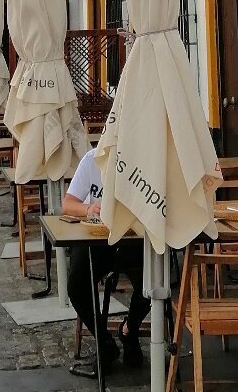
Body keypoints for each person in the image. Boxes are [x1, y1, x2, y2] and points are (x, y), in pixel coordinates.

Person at [64, 147, 149, 378]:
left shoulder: (145, 159)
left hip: (133, 237)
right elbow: (68, 204)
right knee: (76, 284)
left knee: (151, 284)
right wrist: (89, 208)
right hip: (96, 238)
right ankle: (104, 343)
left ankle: (129, 330)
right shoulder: (92, 159)